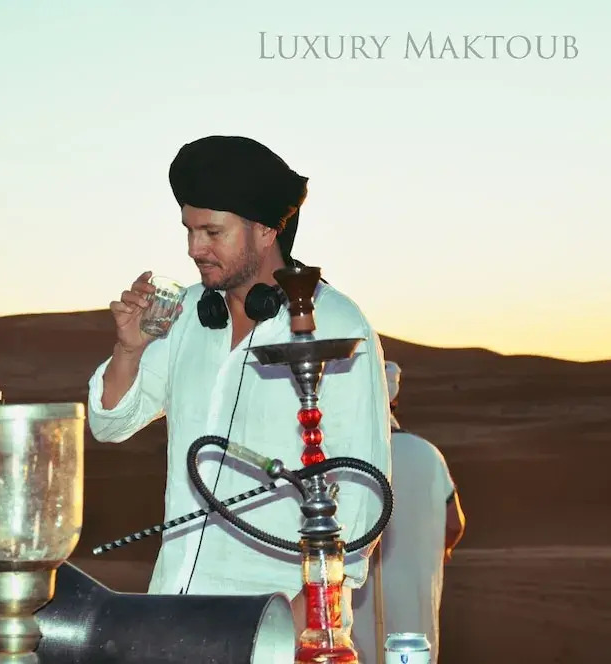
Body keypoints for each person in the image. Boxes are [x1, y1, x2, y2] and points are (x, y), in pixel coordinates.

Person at [86, 135, 392, 637]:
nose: (194, 249)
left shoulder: (337, 325)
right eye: (189, 231)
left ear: (266, 229)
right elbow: (111, 423)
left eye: (212, 232)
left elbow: (361, 497)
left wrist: (294, 631)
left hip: (277, 623)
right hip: (170, 612)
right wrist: (129, 349)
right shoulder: (186, 313)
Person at [351, 360, 466, 663]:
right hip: (413, 638)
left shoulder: (344, 459)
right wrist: (438, 550)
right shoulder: (429, 454)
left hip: (353, 633)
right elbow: (454, 523)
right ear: (394, 402)